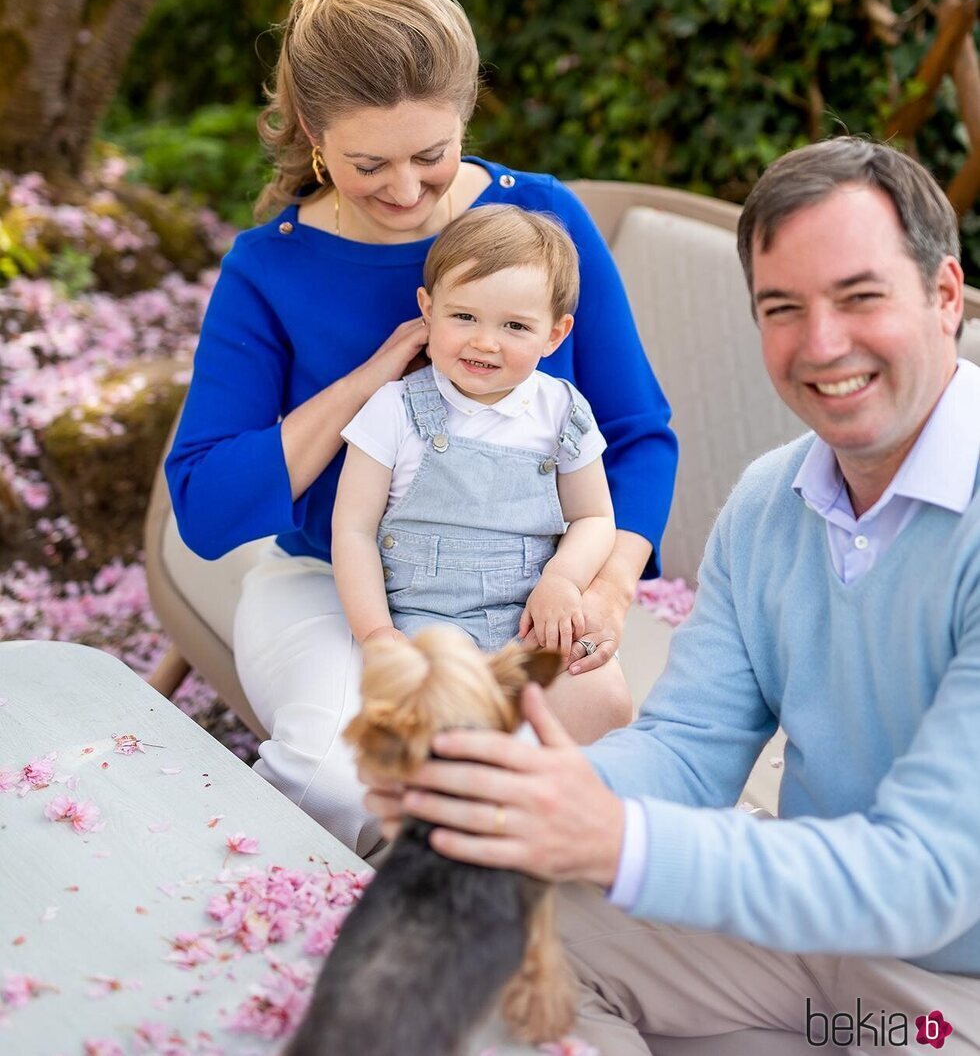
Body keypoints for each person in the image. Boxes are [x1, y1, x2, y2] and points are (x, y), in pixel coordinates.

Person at [367, 137, 980, 1052]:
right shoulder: (773, 500)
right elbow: (692, 747)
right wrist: (526, 793)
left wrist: (614, 838)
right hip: (802, 937)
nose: (822, 344)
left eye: (861, 297)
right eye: (783, 307)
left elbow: (930, 872)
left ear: (943, 298)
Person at [165, 0, 677, 855]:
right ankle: (291, 961)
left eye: (432, 157)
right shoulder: (268, 269)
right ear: (313, 137)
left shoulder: (542, 224)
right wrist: (373, 380)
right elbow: (206, 507)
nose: (404, 192)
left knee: (587, 757)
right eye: (368, 163)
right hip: (331, 583)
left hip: (517, 587)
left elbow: (638, 441)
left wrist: (603, 592)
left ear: (466, 115)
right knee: (342, 774)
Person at [332, 203, 632, 745]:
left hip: (532, 613)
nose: (485, 341)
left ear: (555, 335)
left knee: (605, 702)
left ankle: (574, 810)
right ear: (428, 309)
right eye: (464, 316)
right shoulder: (395, 409)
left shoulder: (562, 411)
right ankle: (477, 805)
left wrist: (562, 581)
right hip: (429, 620)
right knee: (453, 722)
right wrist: (377, 633)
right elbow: (352, 530)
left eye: (515, 326)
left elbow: (593, 516)